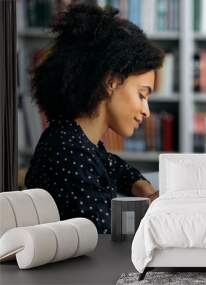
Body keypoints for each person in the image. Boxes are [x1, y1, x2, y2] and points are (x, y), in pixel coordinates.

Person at [24, 5, 164, 234]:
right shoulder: (67, 151)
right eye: (142, 94)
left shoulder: (78, 141)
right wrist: (154, 209)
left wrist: (140, 185)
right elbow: (104, 232)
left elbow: (114, 165)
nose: (146, 111)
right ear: (111, 82)